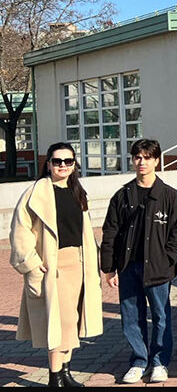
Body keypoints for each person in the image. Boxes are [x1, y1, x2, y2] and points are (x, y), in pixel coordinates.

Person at [10, 142, 103, 387]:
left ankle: (65, 373)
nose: (62, 165)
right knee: (59, 323)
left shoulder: (77, 191)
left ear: (74, 165)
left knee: (72, 321)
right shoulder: (37, 192)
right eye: (57, 161)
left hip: (79, 264)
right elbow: (20, 230)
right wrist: (31, 262)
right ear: (48, 164)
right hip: (54, 265)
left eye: (68, 161)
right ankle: (55, 377)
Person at [100, 139, 177, 385]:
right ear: (133, 160)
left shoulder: (169, 196)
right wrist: (109, 267)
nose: (142, 162)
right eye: (138, 157)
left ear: (156, 160)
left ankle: (160, 362)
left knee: (161, 316)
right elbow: (110, 232)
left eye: (147, 157)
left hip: (158, 269)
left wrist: (170, 259)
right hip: (129, 267)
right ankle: (139, 361)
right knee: (131, 317)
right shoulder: (122, 195)